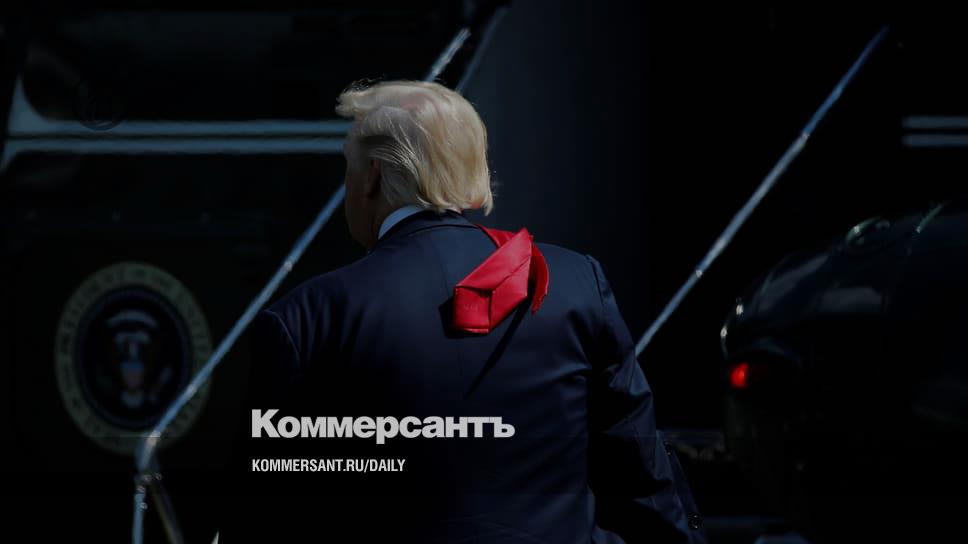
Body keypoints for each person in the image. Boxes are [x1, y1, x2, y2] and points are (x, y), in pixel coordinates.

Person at [219, 80, 706, 543]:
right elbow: (644, 471)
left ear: (372, 177)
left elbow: (265, 515)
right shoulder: (578, 284)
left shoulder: (306, 319)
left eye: (348, 166)